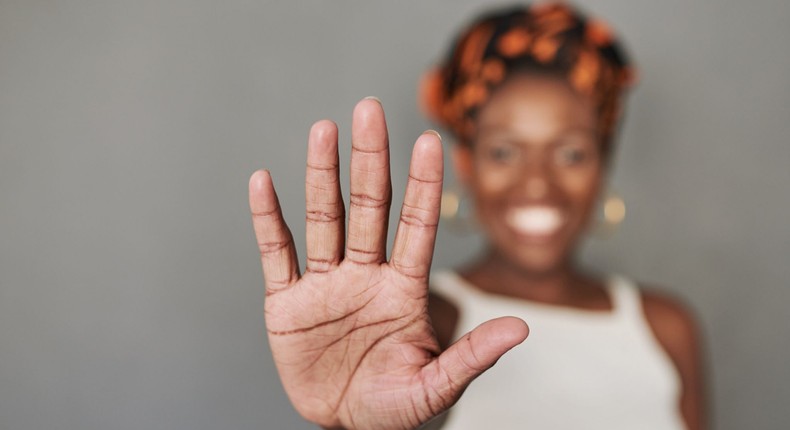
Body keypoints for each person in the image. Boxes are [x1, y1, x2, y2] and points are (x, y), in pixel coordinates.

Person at [248, 3, 705, 429]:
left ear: (603, 162)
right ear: (467, 163)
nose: (538, 183)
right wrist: (352, 424)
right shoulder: (416, 326)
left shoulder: (666, 328)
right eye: (504, 151)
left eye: (570, 152)